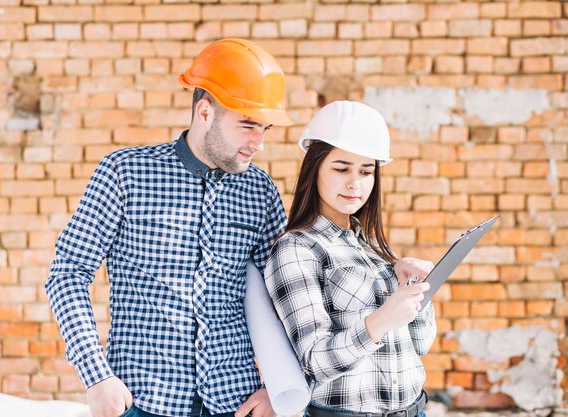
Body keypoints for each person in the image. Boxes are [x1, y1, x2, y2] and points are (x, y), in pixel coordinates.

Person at [45, 38, 294, 417]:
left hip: (237, 403)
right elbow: (69, 272)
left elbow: (283, 295)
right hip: (143, 402)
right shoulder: (124, 174)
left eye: (265, 128)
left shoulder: (260, 191)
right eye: (247, 125)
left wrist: (279, 385)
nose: (258, 143)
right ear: (205, 112)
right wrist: (96, 377)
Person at [264, 101, 437, 417]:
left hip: (414, 410)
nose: (354, 183)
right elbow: (315, 360)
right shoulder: (296, 250)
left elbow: (421, 345)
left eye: (366, 171)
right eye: (341, 168)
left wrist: (417, 288)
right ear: (314, 168)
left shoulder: (371, 245)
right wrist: (381, 321)